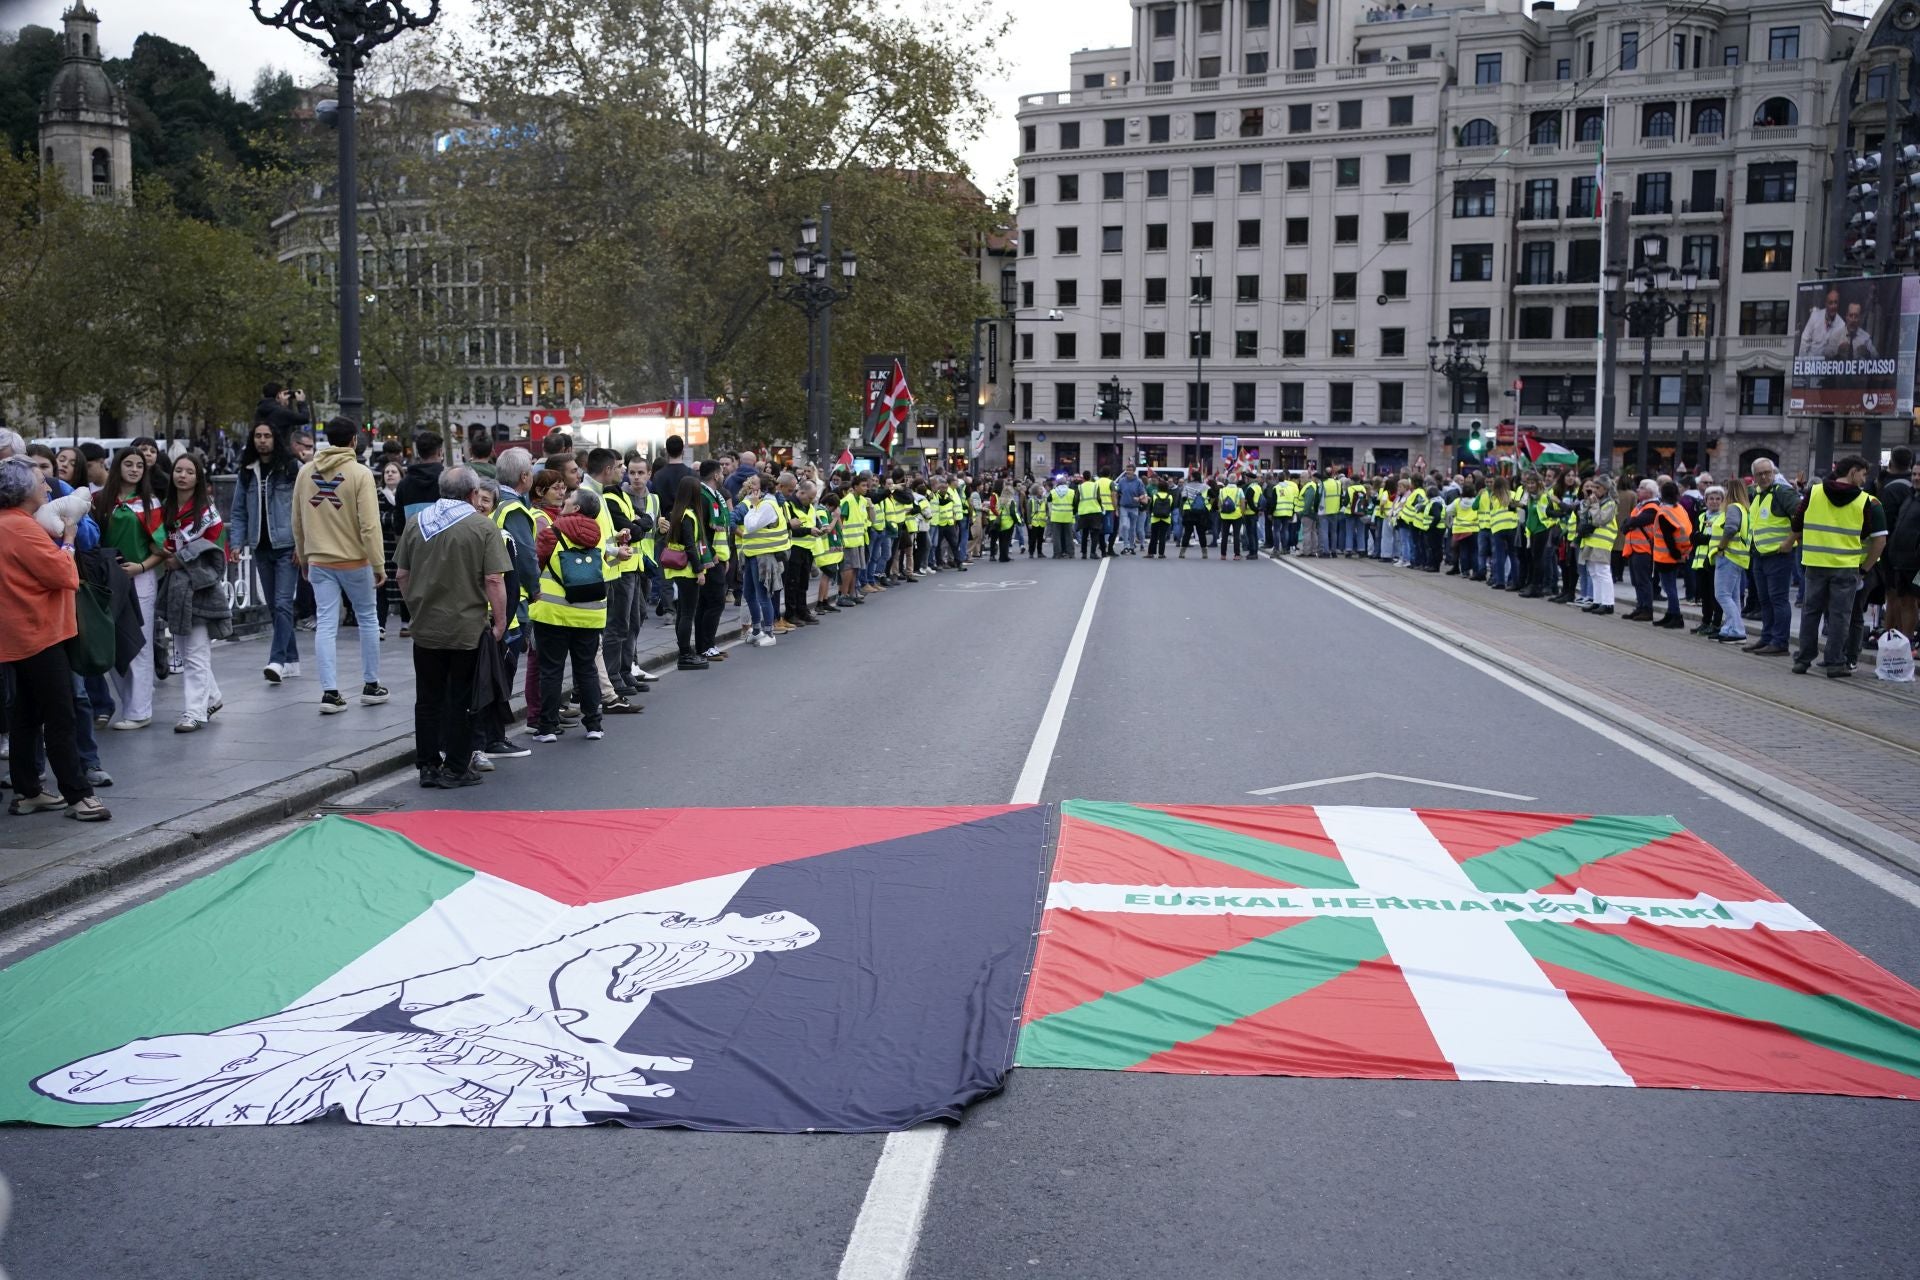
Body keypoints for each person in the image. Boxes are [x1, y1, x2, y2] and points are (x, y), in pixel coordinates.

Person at [0, 457, 109, 821]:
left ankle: (28, 791)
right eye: (40, 481)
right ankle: (79, 795)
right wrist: (68, 539)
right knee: (61, 715)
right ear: (21, 489)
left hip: (19, 633)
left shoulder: (12, 524)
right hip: (39, 632)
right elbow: (65, 574)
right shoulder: (22, 528)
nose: (48, 486)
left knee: (27, 715)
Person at [393, 467, 510, 784]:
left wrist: (416, 606)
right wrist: (499, 623)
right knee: (461, 699)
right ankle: (457, 767)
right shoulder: (482, 527)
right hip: (466, 628)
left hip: (426, 627)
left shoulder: (417, 523)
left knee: (428, 699)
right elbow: (494, 579)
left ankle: (428, 766)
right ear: (474, 494)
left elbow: (401, 575)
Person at [293, 418, 388, 716]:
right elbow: (370, 525)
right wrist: (378, 563)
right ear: (354, 441)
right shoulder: (360, 474)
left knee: (326, 624)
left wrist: (304, 557)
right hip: (355, 559)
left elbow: (296, 521)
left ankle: (330, 692)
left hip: (319, 559)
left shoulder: (306, 472)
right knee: (368, 619)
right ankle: (371, 685)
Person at [1792, 455, 1887, 678]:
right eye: (1863, 474)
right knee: (1840, 616)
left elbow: (1797, 523)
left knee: (1810, 612)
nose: (1864, 480)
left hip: (1815, 564)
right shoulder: (1866, 501)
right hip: (1846, 567)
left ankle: (1803, 659)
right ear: (1853, 472)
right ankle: (1835, 663)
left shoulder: (1813, 493)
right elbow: (1876, 539)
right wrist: (1864, 568)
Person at [156, 452, 230, 733]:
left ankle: (194, 713)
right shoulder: (166, 508)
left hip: (200, 589)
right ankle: (211, 697)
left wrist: (182, 559)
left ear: (198, 478)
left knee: (196, 652)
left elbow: (212, 554)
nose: (182, 475)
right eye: (178, 470)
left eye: (189, 471)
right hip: (175, 588)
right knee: (188, 652)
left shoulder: (208, 514)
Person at [91, 449, 164, 731]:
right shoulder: (99, 501)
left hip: (140, 578)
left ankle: (139, 710)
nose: (134, 469)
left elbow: (161, 550)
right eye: (129, 464)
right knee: (113, 644)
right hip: (108, 579)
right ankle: (131, 705)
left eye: (140, 466)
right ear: (117, 466)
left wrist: (141, 568)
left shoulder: (150, 503)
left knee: (139, 644)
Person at [229, 421, 303, 682]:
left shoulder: (291, 468)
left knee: (283, 603)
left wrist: (302, 545)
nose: (262, 440)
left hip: (286, 546)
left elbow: (304, 507)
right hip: (260, 547)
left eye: (267, 436)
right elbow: (238, 511)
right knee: (274, 605)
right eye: (258, 436)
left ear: (275, 439)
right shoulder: (247, 471)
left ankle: (277, 660)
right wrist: (236, 543)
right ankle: (292, 659)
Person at [1742, 456, 1800, 656]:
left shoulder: (1783, 493)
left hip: (1778, 555)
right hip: (1760, 555)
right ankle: (1767, 638)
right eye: (1760, 474)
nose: (1765, 476)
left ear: (1774, 473)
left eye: (1768, 472)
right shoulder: (1757, 494)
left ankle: (1780, 642)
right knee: (1764, 599)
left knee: (1778, 599)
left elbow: (1801, 518)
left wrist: (1789, 541)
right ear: (1754, 477)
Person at [660, 474, 713, 669]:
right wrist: (699, 571)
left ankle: (685, 651)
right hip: (688, 570)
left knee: (683, 612)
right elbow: (691, 546)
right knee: (687, 614)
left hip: (677, 570)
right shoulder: (689, 516)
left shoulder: (677, 512)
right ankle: (685, 654)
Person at [1619, 479, 1662, 620]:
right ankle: (1640, 607)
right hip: (1634, 548)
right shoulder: (1640, 506)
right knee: (1636, 580)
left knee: (1643, 580)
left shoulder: (1653, 507)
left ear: (1650, 492)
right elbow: (1626, 524)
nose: (1638, 490)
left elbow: (1635, 521)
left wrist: (1629, 524)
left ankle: (1647, 610)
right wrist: (1629, 524)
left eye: (1641, 488)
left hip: (1644, 549)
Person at [394, 430, 445, 520]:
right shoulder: (448, 480)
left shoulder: (403, 484)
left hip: (412, 533)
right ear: (440, 452)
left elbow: (399, 521)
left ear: (418, 453)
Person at [1798, 288, 1844, 357]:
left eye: (1835, 302)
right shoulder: (1815, 316)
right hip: (1810, 362)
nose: (1833, 306)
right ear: (1826, 304)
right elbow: (1805, 340)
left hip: (1827, 364)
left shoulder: (1842, 325)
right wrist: (1802, 363)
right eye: (1830, 303)